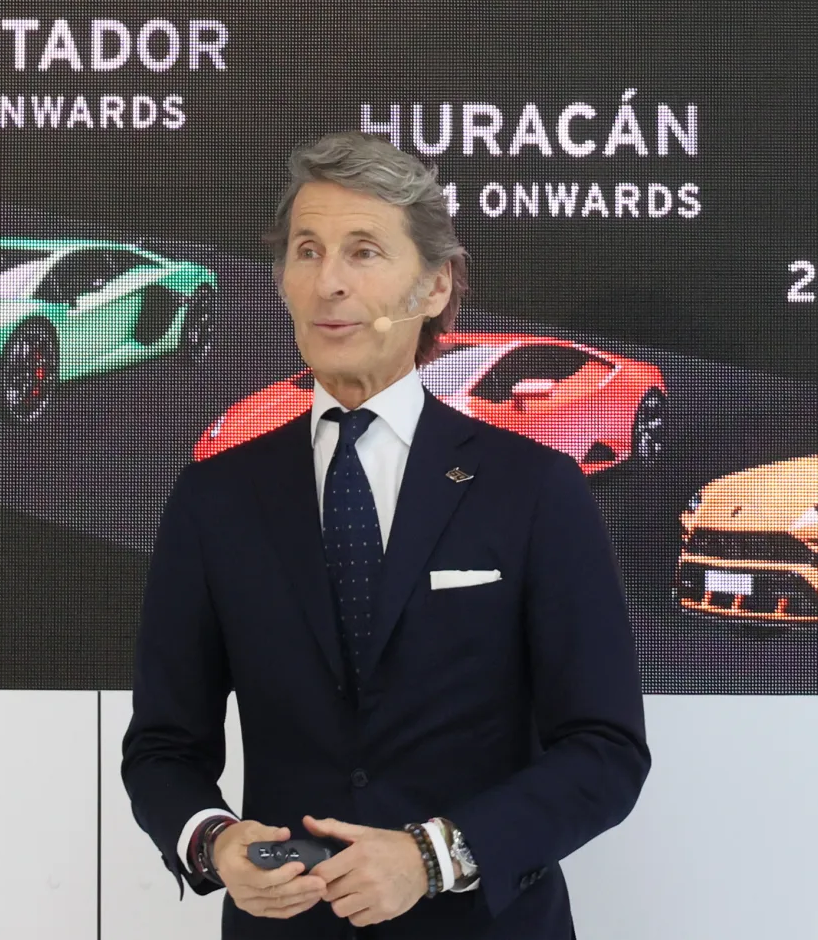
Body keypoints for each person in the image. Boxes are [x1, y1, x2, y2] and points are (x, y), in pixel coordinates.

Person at [122, 132, 649, 935]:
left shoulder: (535, 489)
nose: (328, 281)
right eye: (307, 250)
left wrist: (435, 855)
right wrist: (214, 842)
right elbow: (163, 745)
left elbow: (605, 749)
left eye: (363, 251)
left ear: (435, 285)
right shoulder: (215, 497)